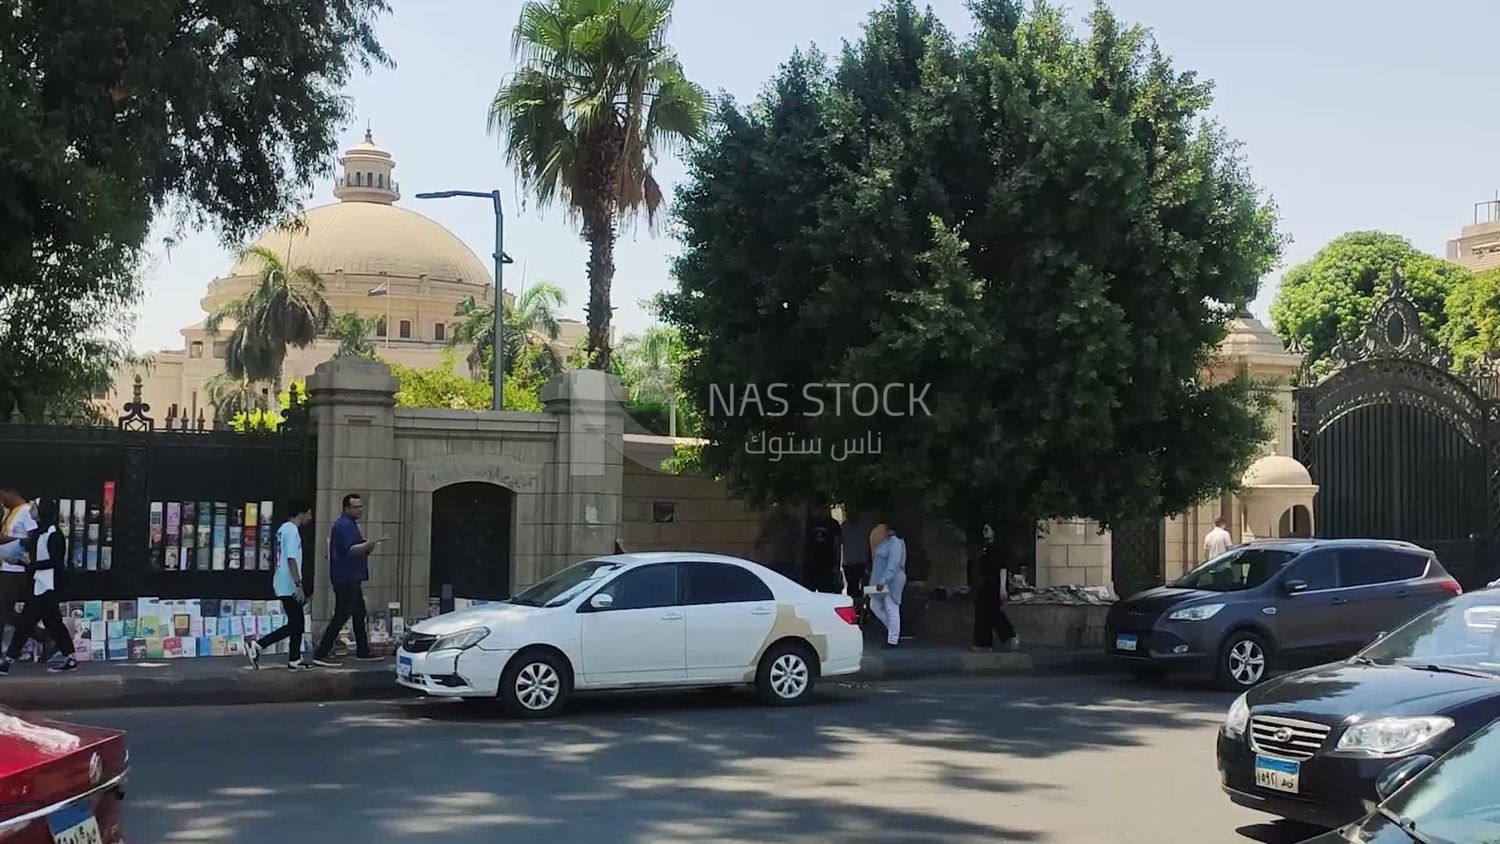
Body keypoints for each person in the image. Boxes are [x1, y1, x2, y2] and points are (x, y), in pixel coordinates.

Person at [0, 500, 76, 674]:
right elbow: (35, 561)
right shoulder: (39, 533)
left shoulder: (54, 533)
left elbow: (55, 562)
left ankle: (7, 661)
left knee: (26, 623)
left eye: (34, 508)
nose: (31, 511)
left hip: (48, 586)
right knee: (53, 623)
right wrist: (20, 561)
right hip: (38, 584)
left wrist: (32, 565)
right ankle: (70, 657)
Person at [311, 493, 383, 666]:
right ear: (347, 508)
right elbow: (350, 549)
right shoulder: (344, 526)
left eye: (361, 506)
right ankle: (321, 652)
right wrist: (368, 545)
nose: (360, 509)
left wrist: (365, 545)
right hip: (346, 577)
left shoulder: (349, 525)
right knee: (342, 615)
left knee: (359, 613)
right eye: (356, 506)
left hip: (351, 576)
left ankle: (363, 650)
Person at [249, 500, 314, 670]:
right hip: (289, 582)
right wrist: (298, 584)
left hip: (281, 580)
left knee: (296, 622)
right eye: (309, 513)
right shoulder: (292, 531)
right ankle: (259, 645)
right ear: (303, 512)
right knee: (295, 623)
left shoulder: (282, 529)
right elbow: (291, 558)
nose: (310, 517)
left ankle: (294, 659)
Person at [0, 488, 47, 659]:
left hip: (17, 570)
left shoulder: (26, 511)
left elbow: (32, 536)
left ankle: (44, 636)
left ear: (10, 493)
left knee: (3, 610)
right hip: (6, 567)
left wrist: (11, 544)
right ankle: (43, 637)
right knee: (5, 611)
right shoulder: (11, 512)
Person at [972, 524, 1020, 652]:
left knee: (993, 612)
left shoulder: (998, 548)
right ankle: (984, 643)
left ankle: (1009, 634)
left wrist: (1002, 588)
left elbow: (1002, 568)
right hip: (985, 584)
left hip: (994, 584)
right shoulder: (985, 548)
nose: (984, 532)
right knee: (983, 613)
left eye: (987, 529)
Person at [868, 522, 907, 649]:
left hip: (892, 581)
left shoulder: (896, 544)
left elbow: (893, 564)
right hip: (882, 580)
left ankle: (893, 639)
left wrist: (884, 580)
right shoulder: (887, 542)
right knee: (875, 605)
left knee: (891, 608)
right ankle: (893, 631)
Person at [839, 514, 873, 616]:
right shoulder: (865, 528)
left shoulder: (844, 528)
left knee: (853, 587)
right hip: (857, 561)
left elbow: (839, 543)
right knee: (860, 587)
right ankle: (860, 608)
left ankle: (855, 608)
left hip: (851, 561)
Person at [802, 508, 842, 592]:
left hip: (827, 564)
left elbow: (837, 545)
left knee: (826, 593)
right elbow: (803, 542)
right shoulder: (809, 523)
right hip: (811, 564)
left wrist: (837, 566)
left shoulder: (832, 524)